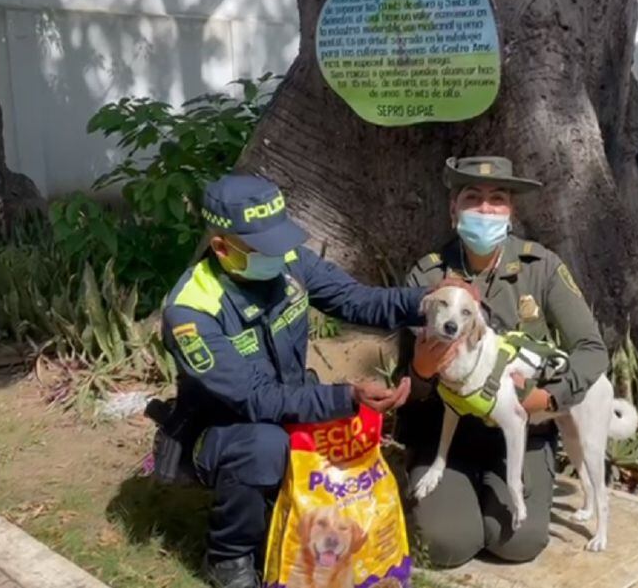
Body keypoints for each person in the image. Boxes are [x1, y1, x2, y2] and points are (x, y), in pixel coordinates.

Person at [160, 174, 423, 588]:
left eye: (280, 242)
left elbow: (356, 299)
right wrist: (345, 397)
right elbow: (254, 399)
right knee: (265, 446)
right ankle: (229, 556)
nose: (279, 255)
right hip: (221, 429)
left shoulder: (289, 263)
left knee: (342, 437)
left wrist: (428, 301)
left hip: (291, 403)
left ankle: (287, 516)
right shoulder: (192, 311)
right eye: (264, 248)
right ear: (222, 248)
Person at [395, 156, 609, 567]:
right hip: (448, 432)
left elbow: (591, 349)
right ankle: (453, 491)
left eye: (497, 199)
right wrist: (422, 372)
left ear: (511, 211)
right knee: (448, 544)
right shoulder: (428, 277)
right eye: (472, 198)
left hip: (519, 432)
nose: (486, 209)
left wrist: (550, 398)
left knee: (518, 543)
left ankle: (498, 490)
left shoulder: (540, 267)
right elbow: (408, 383)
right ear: (453, 209)